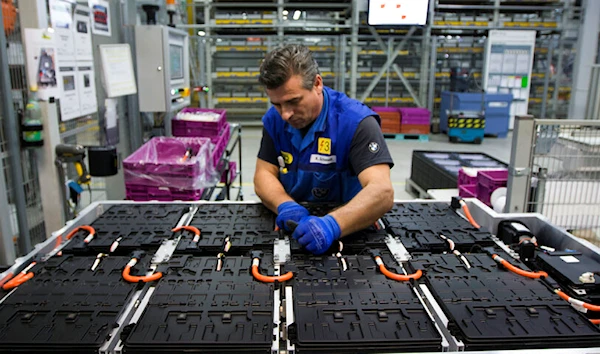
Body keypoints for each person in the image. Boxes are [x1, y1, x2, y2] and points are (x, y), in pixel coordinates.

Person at [254, 44, 394, 255]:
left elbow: (382, 192)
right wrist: (284, 205)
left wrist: (331, 225)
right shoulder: (275, 120)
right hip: (294, 229)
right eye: (277, 104)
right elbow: (264, 173)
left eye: (293, 101)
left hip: (349, 229)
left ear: (317, 84)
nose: (285, 114)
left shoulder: (356, 122)